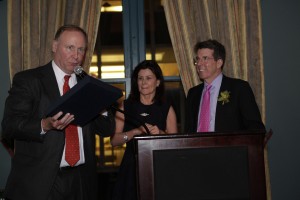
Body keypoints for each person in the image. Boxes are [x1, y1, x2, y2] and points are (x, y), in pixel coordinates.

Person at [1, 25, 115, 200]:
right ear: (54, 47)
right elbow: (10, 126)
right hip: (42, 181)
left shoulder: (86, 84)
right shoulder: (29, 80)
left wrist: (100, 101)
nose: (76, 56)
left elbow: (106, 130)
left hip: (82, 180)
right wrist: (43, 125)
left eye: (81, 49)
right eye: (70, 47)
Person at [111, 60, 178, 200]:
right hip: (131, 168)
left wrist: (160, 133)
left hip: (159, 167)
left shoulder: (166, 108)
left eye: (148, 78)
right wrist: (135, 131)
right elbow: (114, 141)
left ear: (158, 82)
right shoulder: (126, 106)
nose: (143, 82)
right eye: (140, 78)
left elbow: (175, 144)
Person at [185, 39, 265, 133]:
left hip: (229, 147)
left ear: (219, 63)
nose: (199, 64)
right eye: (198, 59)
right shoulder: (193, 93)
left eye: (205, 58)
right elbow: (188, 130)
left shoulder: (239, 88)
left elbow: (255, 128)